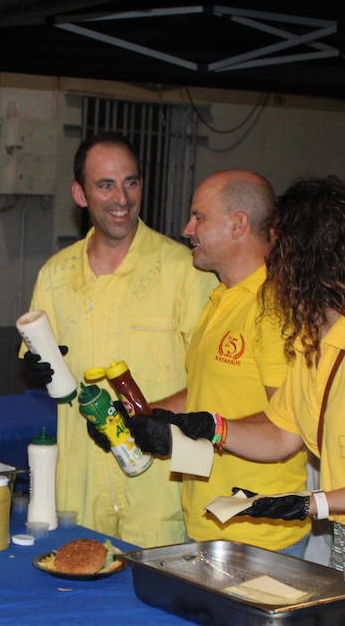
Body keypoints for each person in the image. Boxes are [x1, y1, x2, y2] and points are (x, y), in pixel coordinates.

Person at [131, 176, 345, 620]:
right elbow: (282, 435)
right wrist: (210, 427)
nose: (270, 266)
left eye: (278, 252)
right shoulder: (311, 344)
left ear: (308, 262)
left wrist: (312, 503)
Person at [22, 134, 214, 549]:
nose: (122, 198)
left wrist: (150, 421)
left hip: (158, 487)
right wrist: (32, 370)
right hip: (80, 489)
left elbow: (212, 379)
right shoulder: (55, 276)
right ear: (79, 193)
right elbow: (40, 361)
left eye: (132, 182)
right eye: (105, 184)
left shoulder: (183, 270)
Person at [138, 169, 309, 556]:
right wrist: (143, 418)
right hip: (207, 521)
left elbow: (286, 429)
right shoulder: (221, 298)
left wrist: (209, 429)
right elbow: (204, 395)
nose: (187, 228)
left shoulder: (273, 306)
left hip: (258, 534)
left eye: (199, 217)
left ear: (238, 224)